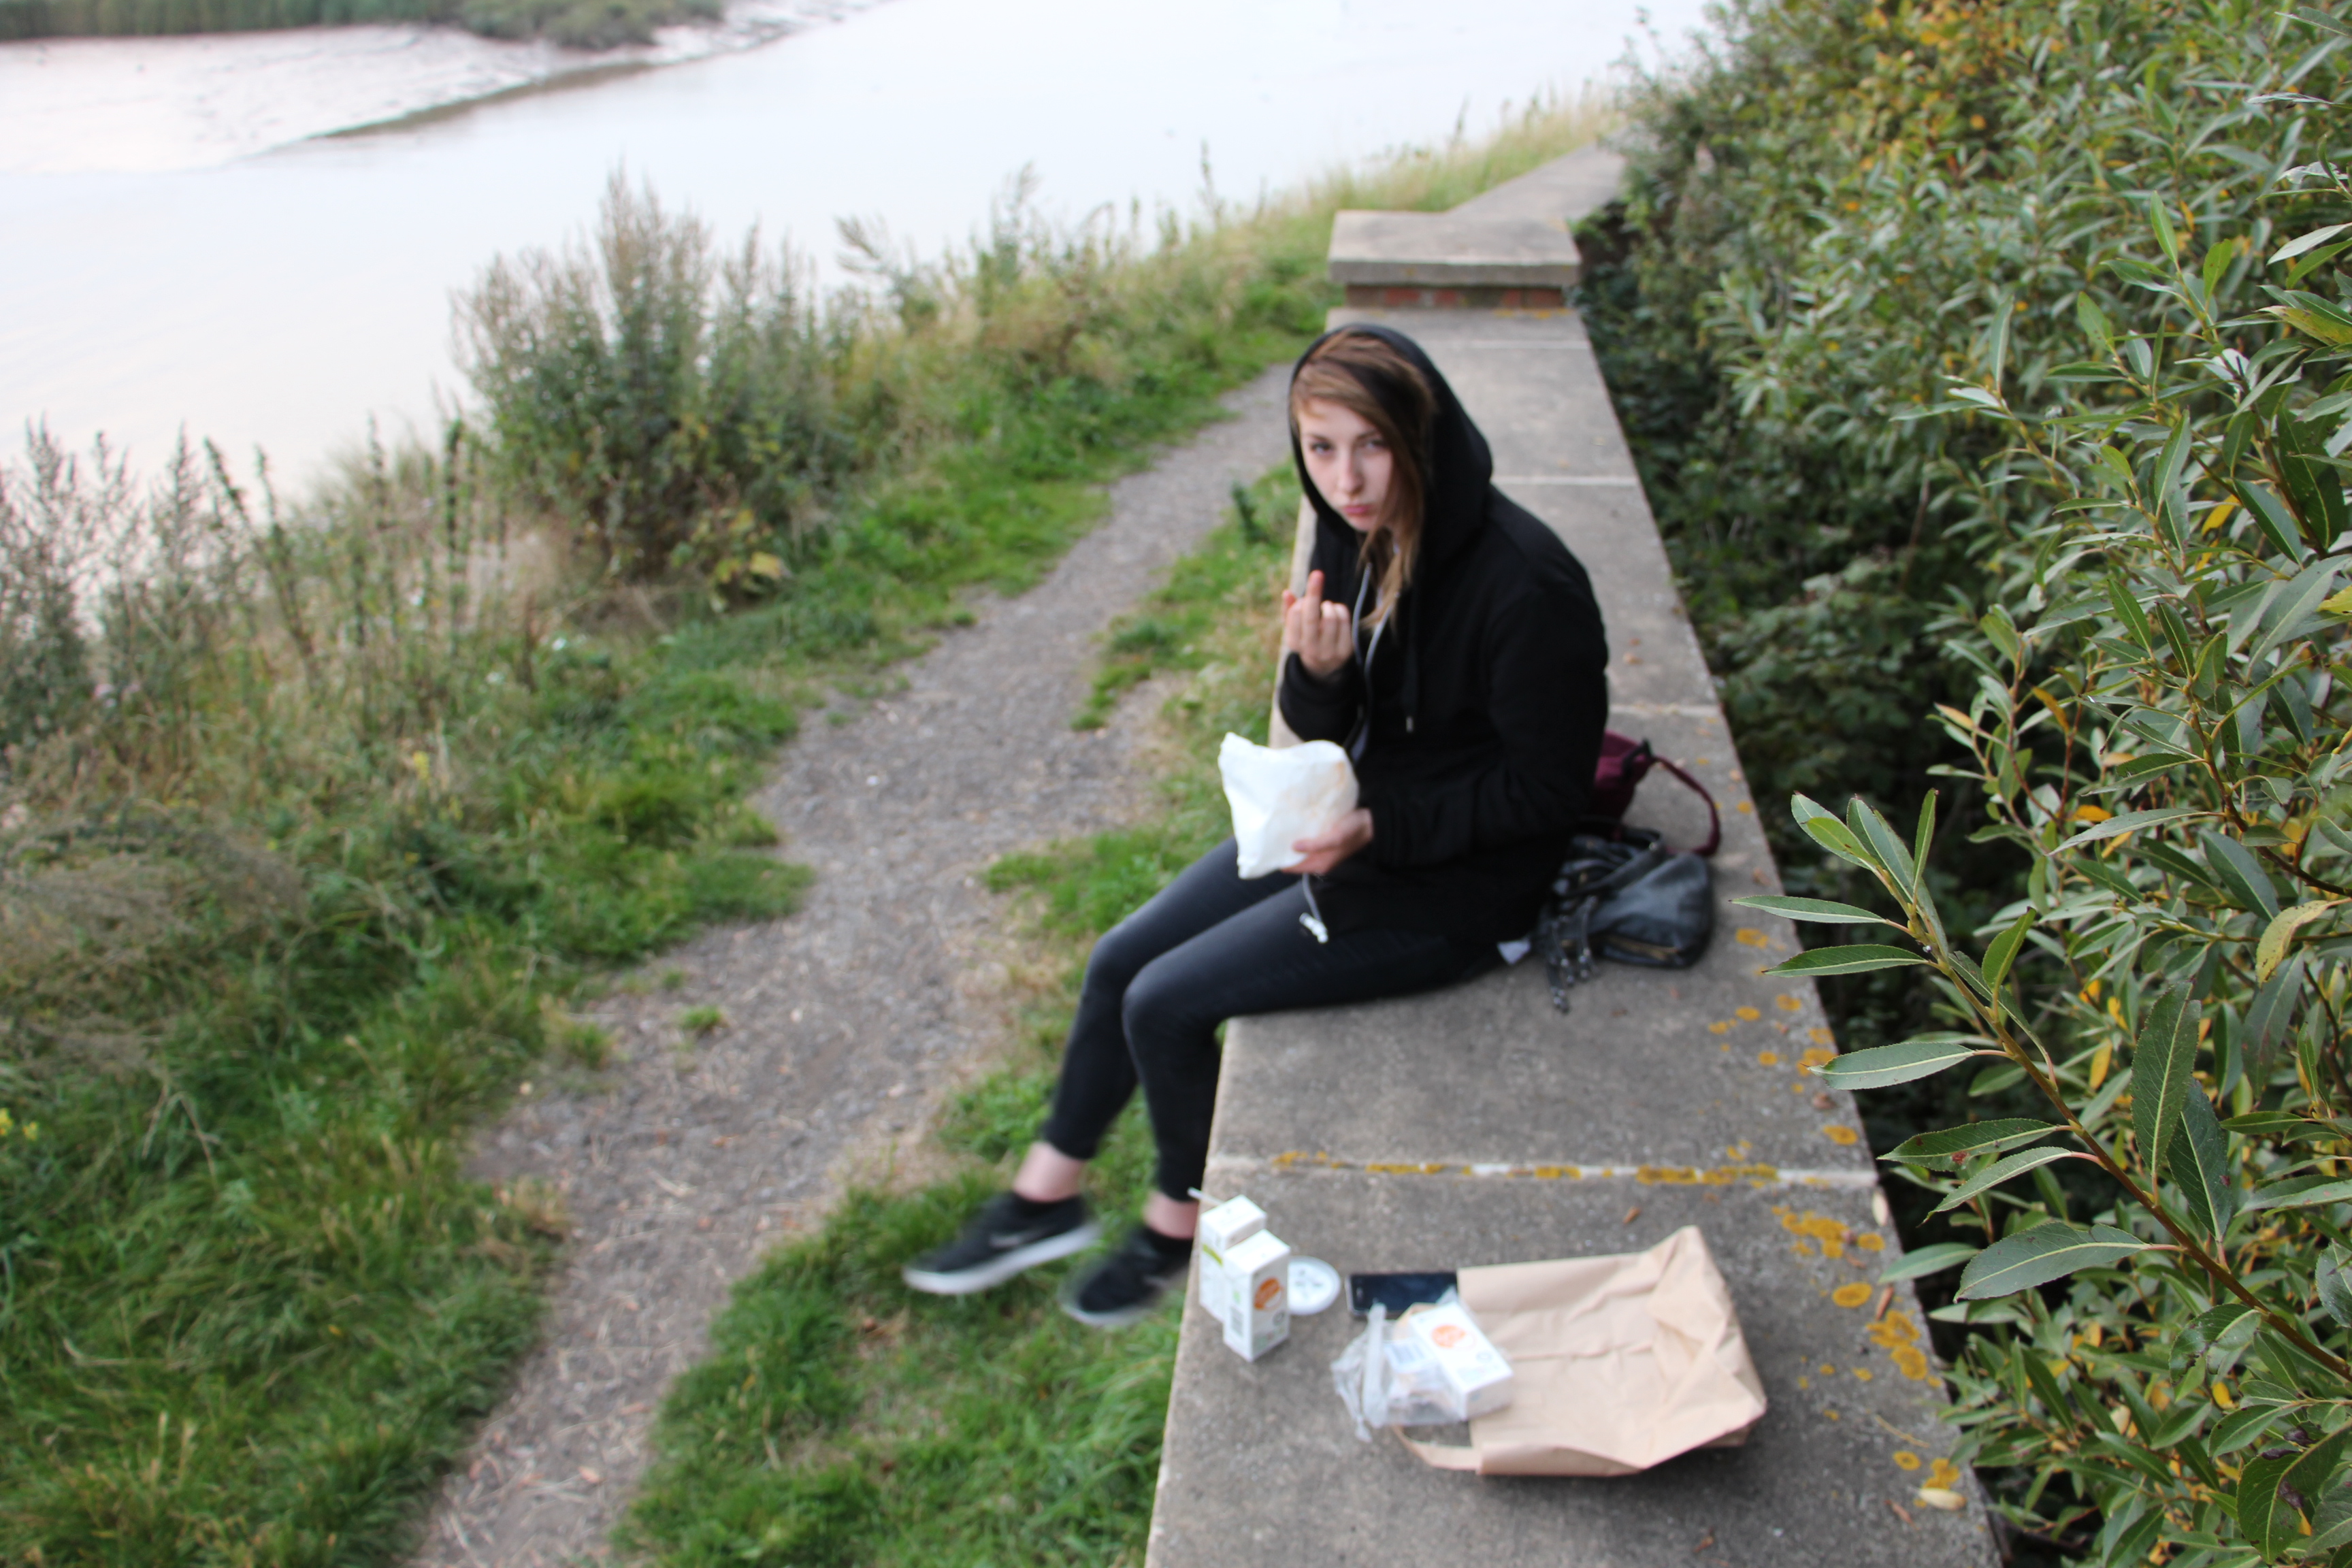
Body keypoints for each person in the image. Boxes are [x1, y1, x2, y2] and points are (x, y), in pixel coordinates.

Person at [902, 324, 1610, 1324]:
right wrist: (1317, 673)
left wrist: (1379, 829)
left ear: (1422, 435)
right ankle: (1043, 1200)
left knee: (1165, 1004)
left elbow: (1547, 794)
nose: (1346, 479)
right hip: (1351, 824)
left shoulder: (1527, 583)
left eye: (1372, 445)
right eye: (1321, 448)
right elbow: (1329, 728)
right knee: (1119, 959)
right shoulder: (1354, 532)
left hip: (1460, 890)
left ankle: (1173, 1225)